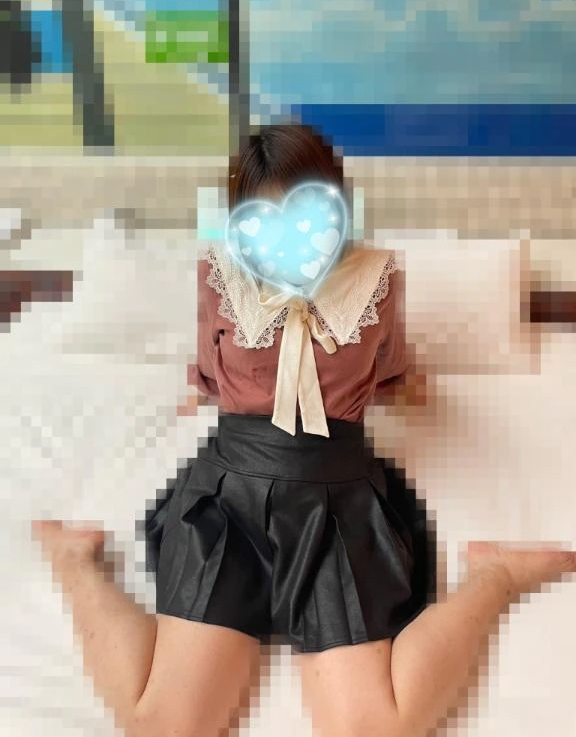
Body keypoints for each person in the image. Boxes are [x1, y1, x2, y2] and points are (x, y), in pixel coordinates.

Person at [31, 124, 576, 737]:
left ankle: (493, 577)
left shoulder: (376, 277)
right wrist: (208, 387)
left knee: (371, 728)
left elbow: (389, 362)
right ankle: (75, 563)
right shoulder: (220, 275)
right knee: (164, 727)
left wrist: (402, 387)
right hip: (231, 495)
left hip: (336, 495)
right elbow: (209, 359)